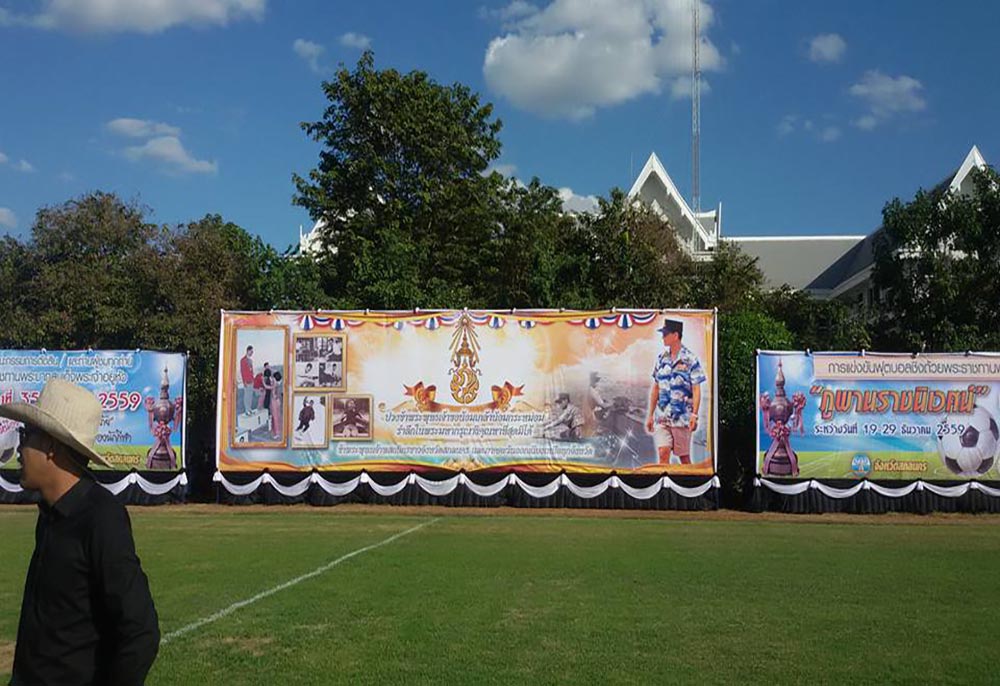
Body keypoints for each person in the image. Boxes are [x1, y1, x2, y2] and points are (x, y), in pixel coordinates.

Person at [1, 377, 159, 685]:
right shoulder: (50, 512)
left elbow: (141, 631)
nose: (19, 447)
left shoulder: (100, 517)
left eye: (26, 434)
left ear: (50, 447)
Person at [645, 318, 706, 465]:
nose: (663, 337)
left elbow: (696, 389)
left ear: (676, 335)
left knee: (683, 457)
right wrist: (650, 415)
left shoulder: (690, 359)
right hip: (662, 416)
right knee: (663, 453)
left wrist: (694, 415)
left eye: (665, 334)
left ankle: (689, 481)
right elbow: (656, 387)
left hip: (681, 418)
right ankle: (664, 480)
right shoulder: (661, 359)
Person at [239, 345, 255, 416]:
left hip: (251, 380)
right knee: (246, 396)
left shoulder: (251, 360)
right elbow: (242, 371)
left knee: (250, 396)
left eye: (252, 352)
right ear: (248, 351)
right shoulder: (243, 360)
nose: (252, 353)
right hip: (246, 381)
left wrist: (253, 380)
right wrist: (244, 381)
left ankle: (249, 409)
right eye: (251, 351)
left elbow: (251, 371)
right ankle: (246, 410)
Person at [270, 371, 284, 440]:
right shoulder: (279, 384)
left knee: (275, 417)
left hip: (275, 402)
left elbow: (274, 395)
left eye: (273, 378)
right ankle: (278, 431)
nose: (272, 379)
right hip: (278, 401)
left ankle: (277, 433)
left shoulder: (275, 385)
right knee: (278, 416)